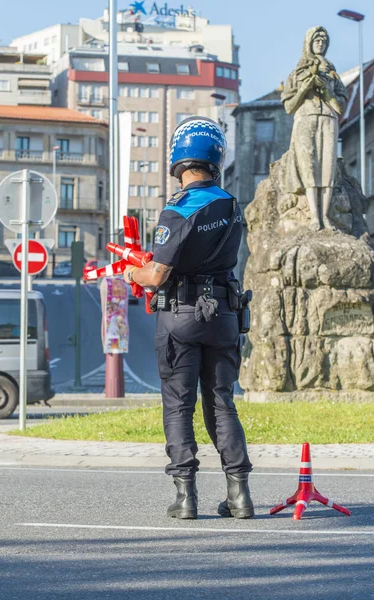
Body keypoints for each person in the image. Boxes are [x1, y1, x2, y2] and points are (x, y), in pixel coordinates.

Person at [123, 116, 254, 520]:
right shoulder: (232, 206)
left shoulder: (177, 209)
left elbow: (157, 275)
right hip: (224, 316)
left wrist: (132, 272)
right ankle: (239, 496)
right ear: (216, 158)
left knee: (179, 405)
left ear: (179, 161)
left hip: (180, 316)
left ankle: (185, 498)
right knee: (222, 403)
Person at [281, 26, 347, 231]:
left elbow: (340, 106)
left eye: (324, 41)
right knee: (309, 167)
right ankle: (314, 217)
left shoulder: (332, 72)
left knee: (327, 168)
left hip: (327, 119)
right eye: (317, 40)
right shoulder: (298, 71)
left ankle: (325, 216)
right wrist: (305, 87)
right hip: (305, 119)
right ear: (308, 43)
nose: (321, 44)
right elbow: (289, 106)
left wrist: (327, 91)